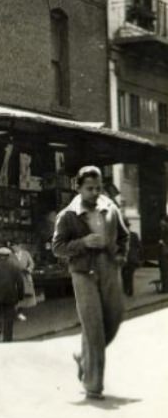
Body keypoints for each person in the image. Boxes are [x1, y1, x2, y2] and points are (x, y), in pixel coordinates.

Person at [52, 165, 128, 400]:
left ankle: (83, 357)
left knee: (114, 319)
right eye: (89, 188)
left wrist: (120, 256)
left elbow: (124, 236)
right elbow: (58, 248)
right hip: (83, 273)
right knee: (93, 327)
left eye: (98, 188)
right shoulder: (68, 215)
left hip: (108, 269)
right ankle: (93, 386)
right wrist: (83, 242)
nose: (95, 192)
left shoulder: (109, 207)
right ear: (78, 188)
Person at [10, 241, 37, 319]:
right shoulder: (11, 256)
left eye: (14, 246)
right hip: (15, 277)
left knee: (24, 295)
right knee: (16, 294)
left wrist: (28, 269)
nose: (13, 248)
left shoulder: (26, 253)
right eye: (12, 247)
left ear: (19, 246)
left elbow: (32, 263)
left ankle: (20, 312)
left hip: (25, 276)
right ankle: (15, 312)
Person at [120, 220, 142, 297]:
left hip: (131, 258)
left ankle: (129, 290)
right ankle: (127, 289)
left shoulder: (133, 235)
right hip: (125, 259)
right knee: (124, 275)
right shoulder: (122, 236)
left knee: (128, 275)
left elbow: (139, 246)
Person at [158, 214, 168, 294]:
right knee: (164, 271)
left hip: (165, 254)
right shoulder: (163, 230)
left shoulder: (166, 230)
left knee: (164, 271)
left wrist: (163, 242)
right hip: (163, 254)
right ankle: (165, 288)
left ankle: (165, 289)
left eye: (161, 222)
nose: (160, 223)